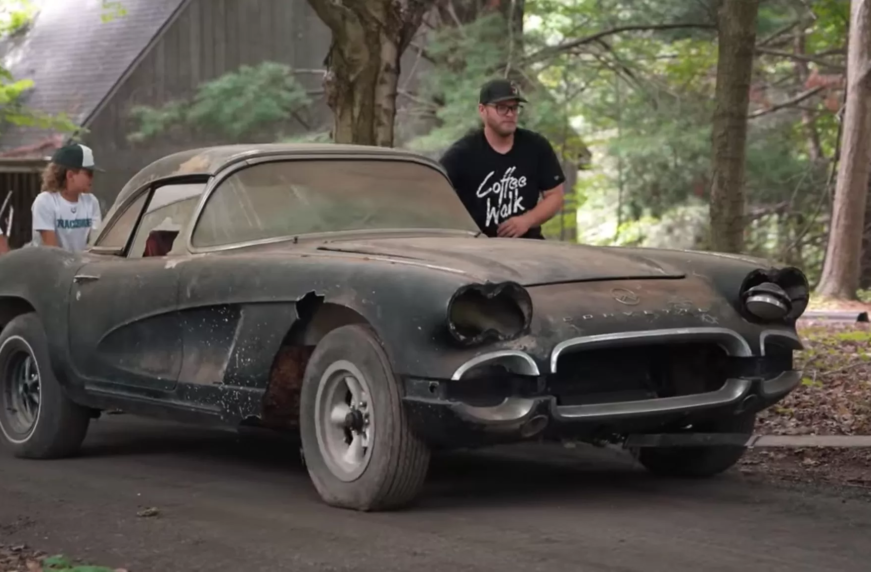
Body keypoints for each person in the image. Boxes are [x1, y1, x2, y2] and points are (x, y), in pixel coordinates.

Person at [439, 78, 566, 239]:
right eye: (501, 107)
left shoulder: (536, 146)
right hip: (478, 246)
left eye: (514, 108)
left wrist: (527, 220)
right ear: (482, 110)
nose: (510, 114)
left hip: (528, 245)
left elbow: (555, 196)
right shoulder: (462, 154)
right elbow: (434, 195)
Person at [30, 143, 103, 252]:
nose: (92, 178)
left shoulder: (91, 202)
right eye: (89, 173)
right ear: (70, 175)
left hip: (82, 262)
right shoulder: (45, 201)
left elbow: (95, 244)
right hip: (50, 262)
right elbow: (51, 251)